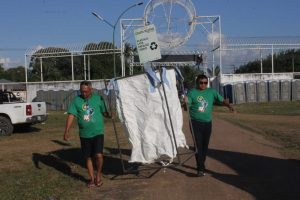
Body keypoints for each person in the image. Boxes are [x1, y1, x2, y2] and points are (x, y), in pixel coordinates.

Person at [186, 74, 234, 177]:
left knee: (205, 146)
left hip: (208, 123)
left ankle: (201, 165)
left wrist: (229, 106)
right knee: (198, 146)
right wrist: (184, 102)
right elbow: (187, 104)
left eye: (205, 83)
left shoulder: (211, 92)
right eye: (201, 83)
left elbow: (221, 100)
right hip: (195, 123)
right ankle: (200, 169)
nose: (203, 85)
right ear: (197, 83)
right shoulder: (192, 92)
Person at [63, 81, 110, 187]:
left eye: (86, 91)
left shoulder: (98, 98)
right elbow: (71, 115)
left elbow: (104, 112)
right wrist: (67, 131)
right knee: (88, 157)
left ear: (91, 89)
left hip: (98, 132)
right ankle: (92, 179)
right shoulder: (76, 100)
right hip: (84, 134)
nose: (83, 94)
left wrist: (109, 114)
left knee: (98, 155)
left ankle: (98, 175)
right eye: (81, 91)